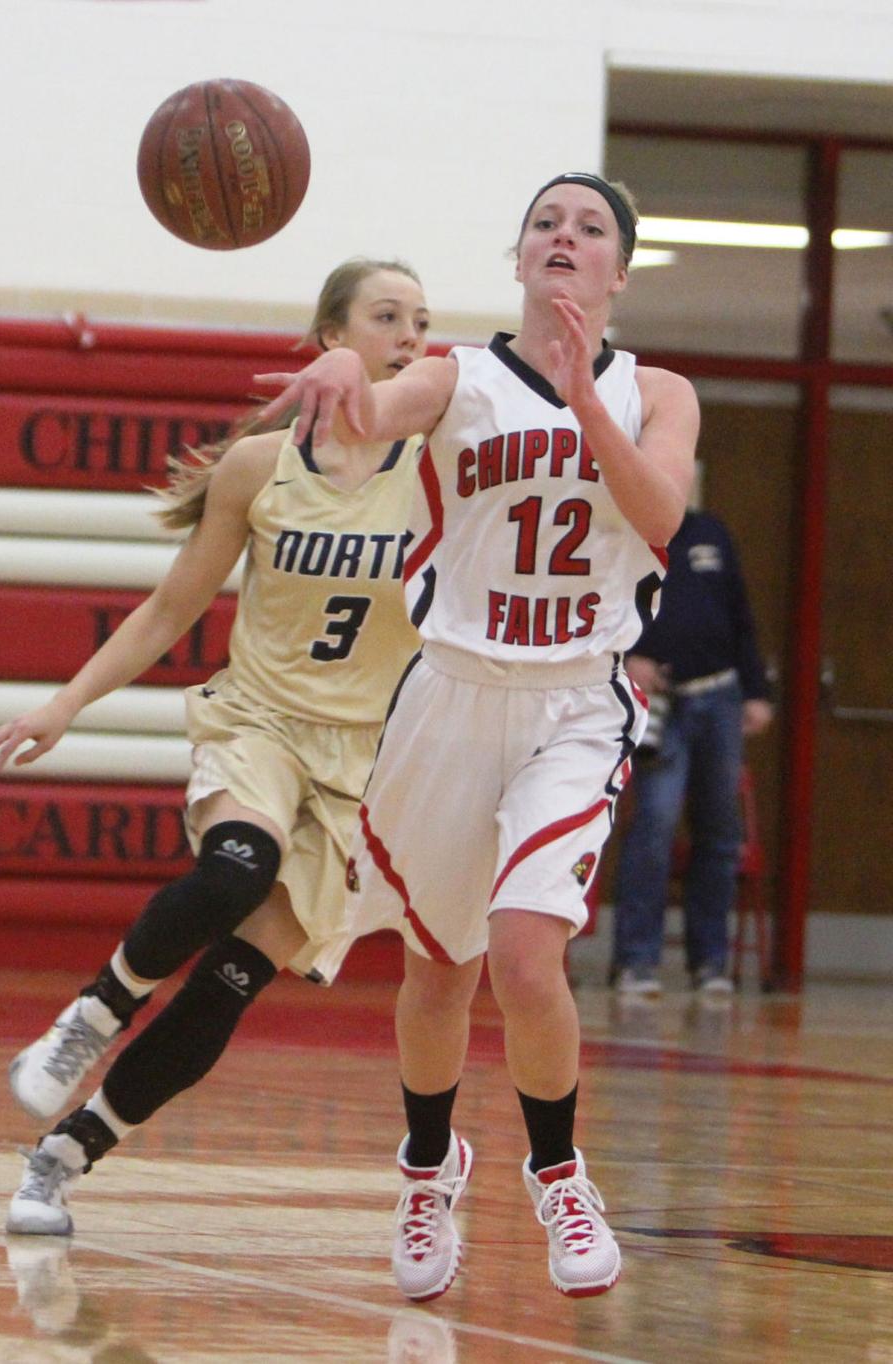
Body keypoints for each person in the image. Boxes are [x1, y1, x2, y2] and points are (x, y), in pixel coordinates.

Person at [255, 172, 698, 1301]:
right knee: (440, 967)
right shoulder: (457, 378)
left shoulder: (660, 392)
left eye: (590, 227)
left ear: (618, 269)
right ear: (517, 260)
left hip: (575, 698)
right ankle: (425, 1165)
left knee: (523, 949)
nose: (564, 236)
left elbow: (659, 517)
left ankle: (556, 1167)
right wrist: (351, 365)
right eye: (546, 223)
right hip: (450, 691)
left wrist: (583, 399)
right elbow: (368, 412)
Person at [0, 257, 432, 1236]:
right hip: (259, 721)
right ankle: (89, 1014)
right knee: (232, 870)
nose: (409, 336)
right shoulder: (260, 467)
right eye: (386, 316)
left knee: (231, 980)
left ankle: (63, 1155)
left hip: (365, 764)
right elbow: (171, 608)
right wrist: (65, 703)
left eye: (420, 322)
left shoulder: (439, 467)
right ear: (330, 338)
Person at [610, 500, 773, 998]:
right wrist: (625, 658)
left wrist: (757, 690)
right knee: (654, 827)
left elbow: (739, 614)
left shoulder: (711, 532)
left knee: (720, 833)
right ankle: (636, 962)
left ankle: (711, 963)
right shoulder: (626, 529)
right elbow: (605, 609)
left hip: (719, 697)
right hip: (662, 700)